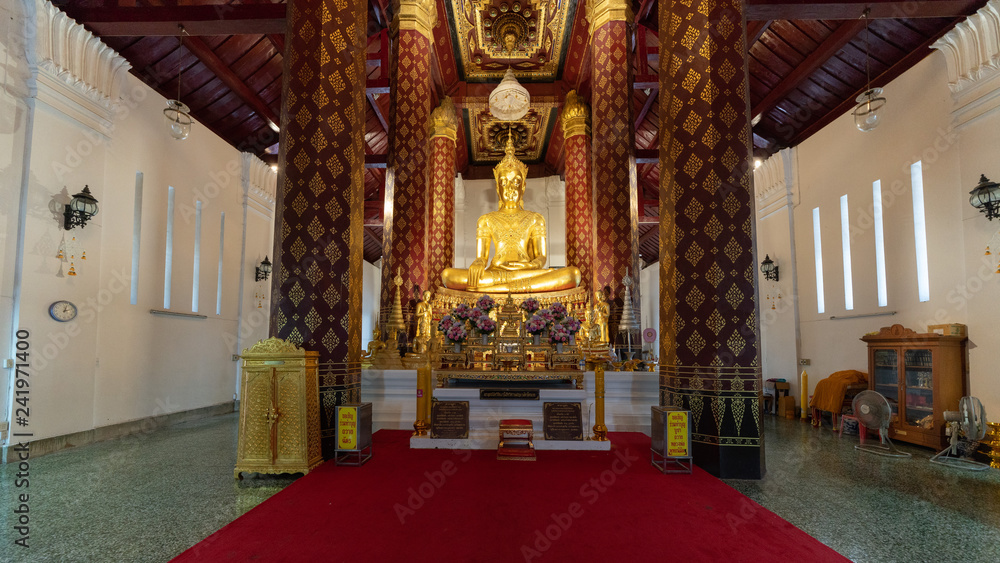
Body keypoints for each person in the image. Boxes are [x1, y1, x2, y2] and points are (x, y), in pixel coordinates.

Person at [441, 135, 581, 293]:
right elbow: (482, 257)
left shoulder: (535, 219)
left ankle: (496, 290)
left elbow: (541, 258)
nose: (510, 188)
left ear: (523, 186)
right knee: (448, 275)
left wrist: (529, 265)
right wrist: (478, 263)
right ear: (498, 188)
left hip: (526, 273)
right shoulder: (486, 220)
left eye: (515, 182)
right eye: (504, 182)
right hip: (496, 274)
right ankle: (511, 288)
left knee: (572, 274)